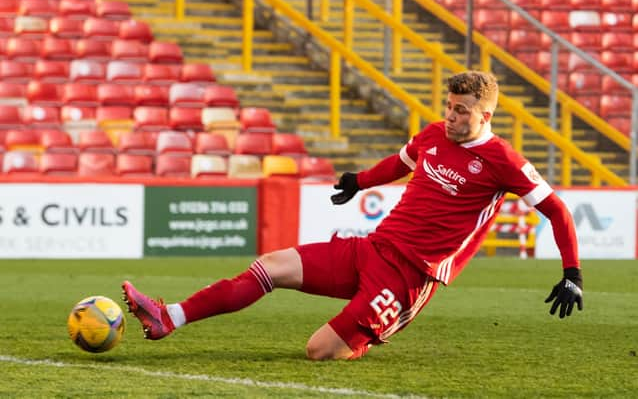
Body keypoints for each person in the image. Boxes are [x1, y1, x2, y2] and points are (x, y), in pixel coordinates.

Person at [123, 70, 583, 360]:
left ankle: (367, 329)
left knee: (319, 351)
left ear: (485, 116)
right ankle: (170, 318)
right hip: (373, 248)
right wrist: (359, 181)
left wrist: (572, 273)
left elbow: (557, 211)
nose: (450, 117)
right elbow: (401, 162)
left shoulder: (504, 160)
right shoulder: (432, 136)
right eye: (448, 106)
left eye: (461, 111)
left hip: (409, 277)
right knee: (273, 264)